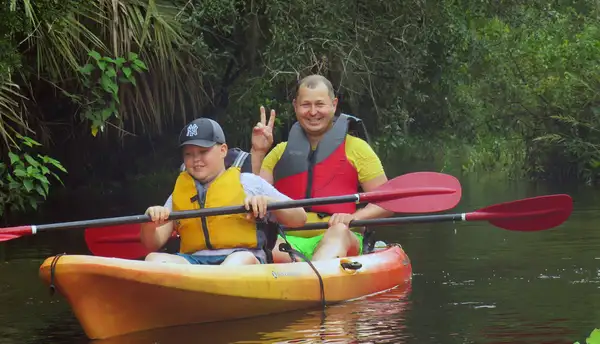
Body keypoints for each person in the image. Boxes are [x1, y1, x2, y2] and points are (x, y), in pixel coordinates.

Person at [250, 74, 393, 262]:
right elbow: (252, 194)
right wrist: (258, 151)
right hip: (288, 239)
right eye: (305, 105)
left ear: (334, 104)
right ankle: (301, 274)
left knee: (338, 233)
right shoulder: (279, 152)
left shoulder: (357, 149)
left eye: (319, 104)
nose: (313, 112)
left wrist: (354, 217)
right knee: (269, 249)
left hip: (341, 236)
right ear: (295, 106)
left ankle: (316, 275)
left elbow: (387, 202)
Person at [140, 117, 307, 265]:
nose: (196, 159)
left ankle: (212, 290)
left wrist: (268, 202)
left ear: (223, 151)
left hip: (241, 258)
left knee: (239, 260)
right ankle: (200, 291)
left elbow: (300, 218)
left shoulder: (248, 182)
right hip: (195, 262)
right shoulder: (179, 194)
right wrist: (149, 224)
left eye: (203, 151)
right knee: (153, 259)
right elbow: (153, 243)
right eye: (188, 154)